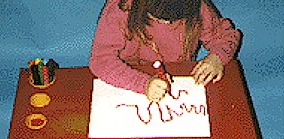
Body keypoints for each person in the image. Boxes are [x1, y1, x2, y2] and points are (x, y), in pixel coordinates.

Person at [89, 0, 241, 102]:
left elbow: (226, 36)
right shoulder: (120, 9)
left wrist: (216, 58)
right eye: (160, 20)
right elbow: (100, 60)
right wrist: (142, 83)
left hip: (179, 81)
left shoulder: (197, 8)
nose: (167, 24)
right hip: (126, 79)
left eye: (175, 21)